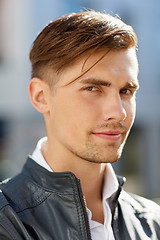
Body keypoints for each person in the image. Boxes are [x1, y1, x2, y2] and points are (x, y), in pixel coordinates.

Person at [0, 10, 160, 240]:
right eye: (93, 88)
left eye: (126, 91)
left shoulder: (152, 222)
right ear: (41, 96)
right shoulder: (7, 222)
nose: (118, 112)